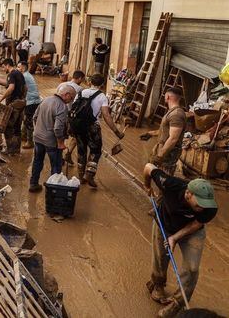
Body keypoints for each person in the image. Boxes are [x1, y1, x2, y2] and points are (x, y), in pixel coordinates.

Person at [143, 163, 217, 318]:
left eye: (205, 205)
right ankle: (157, 283)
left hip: (192, 231)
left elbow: (197, 223)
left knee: (192, 268)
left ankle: (177, 304)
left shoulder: (210, 207)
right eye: (199, 204)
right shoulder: (170, 184)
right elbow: (149, 167)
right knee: (161, 257)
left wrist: (175, 238)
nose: (203, 208)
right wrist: (147, 185)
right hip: (164, 222)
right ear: (188, 194)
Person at [70, 73, 125, 187]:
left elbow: (73, 109)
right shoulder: (101, 96)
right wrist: (116, 132)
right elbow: (106, 115)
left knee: (81, 150)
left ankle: (81, 177)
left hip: (78, 126)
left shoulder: (80, 93)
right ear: (102, 84)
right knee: (95, 151)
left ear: (90, 82)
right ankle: (89, 174)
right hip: (92, 127)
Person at [28, 84, 76, 192]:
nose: (71, 100)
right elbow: (58, 128)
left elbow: (34, 117)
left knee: (37, 161)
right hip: (51, 141)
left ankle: (33, 184)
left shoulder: (46, 100)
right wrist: (60, 142)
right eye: (71, 97)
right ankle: (53, 190)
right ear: (66, 94)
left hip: (38, 138)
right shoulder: (62, 107)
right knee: (56, 165)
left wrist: (38, 130)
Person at [141, 88, 186, 176]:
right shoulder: (172, 112)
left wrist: (160, 156)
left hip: (169, 153)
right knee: (157, 174)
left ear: (168, 96)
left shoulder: (176, 114)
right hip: (163, 149)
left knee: (164, 177)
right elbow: (166, 131)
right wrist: (151, 133)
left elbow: (173, 138)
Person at [0, 59, 28, 155]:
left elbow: (11, 88)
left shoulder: (11, 74)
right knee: (17, 127)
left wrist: (0, 99)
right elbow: (25, 88)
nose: (3, 69)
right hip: (21, 104)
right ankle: (16, 150)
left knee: (7, 126)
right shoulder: (19, 74)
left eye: (3, 67)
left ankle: (10, 150)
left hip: (14, 104)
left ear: (7, 65)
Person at [58, 70, 86, 165]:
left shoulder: (62, 84)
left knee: (60, 136)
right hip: (71, 116)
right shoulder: (80, 89)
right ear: (80, 78)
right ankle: (68, 153)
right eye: (83, 79)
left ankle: (60, 156)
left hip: (58, 114)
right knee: (76, 136)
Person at [20, 61, 42, 149]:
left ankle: (30, 141)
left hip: (31, 101)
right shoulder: (28, 75)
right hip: (34, 100)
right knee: (26, 118)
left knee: (29, 121)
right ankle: (23, 135)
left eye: (18, 67)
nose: (17, 69)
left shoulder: (24, 76)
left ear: (23, 68)